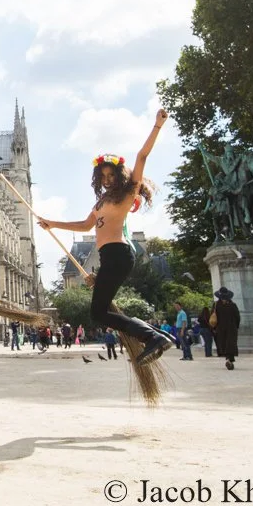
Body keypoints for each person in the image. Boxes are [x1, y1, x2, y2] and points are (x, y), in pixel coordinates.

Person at [37, 109, 175, 366]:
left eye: (111, 175)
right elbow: (85, 225)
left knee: (99, 312)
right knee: (101, 310)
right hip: (109, 257)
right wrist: (52, 224)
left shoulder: (128, 193)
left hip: (119, 254)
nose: (108, 179)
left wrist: (157, 125)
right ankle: (158, 335)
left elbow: (142, 156)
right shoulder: (102, 201)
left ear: (120, 175)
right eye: (103, 176)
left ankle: (152, 337)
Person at [212, 287, 240, 370]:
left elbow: (213, 317)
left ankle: (228, 359)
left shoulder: (216, 305)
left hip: (220, 328)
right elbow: (237, 317)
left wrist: (214, 328)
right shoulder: (233, 305)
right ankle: (229, 359)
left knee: (224, 344)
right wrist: (236, 326)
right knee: (231, 344)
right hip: (232, 328)